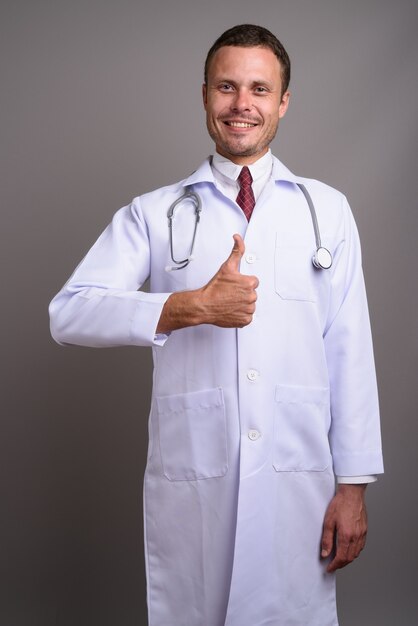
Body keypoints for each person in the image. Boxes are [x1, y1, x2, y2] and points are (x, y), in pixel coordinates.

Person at [49, 24, 383, 626]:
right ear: (205, 95)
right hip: (196, 479)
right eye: (227, 86)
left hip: (296, 481)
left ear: (283, 102)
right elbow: (68, 311)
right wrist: (189, 306)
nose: (242, 104)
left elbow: (349, 348)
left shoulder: (326, 210)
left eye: (260, 88)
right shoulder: (155, 212)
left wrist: (353, 486)